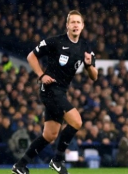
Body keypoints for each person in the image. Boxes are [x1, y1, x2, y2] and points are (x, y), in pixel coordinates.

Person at [12, 10, 98, 174]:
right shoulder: (55, 42)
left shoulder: (85, 47)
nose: (75, 25)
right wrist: (41, 75)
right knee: (77, 122)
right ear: (67, 25)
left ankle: (20, 165)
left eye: (78, 22)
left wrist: (88, 65)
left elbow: (94, 76)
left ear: (82, 26)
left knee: (50, 135)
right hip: (50, 89)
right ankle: (57, 160)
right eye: (72, 22)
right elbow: (31, 56)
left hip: (61, 92)